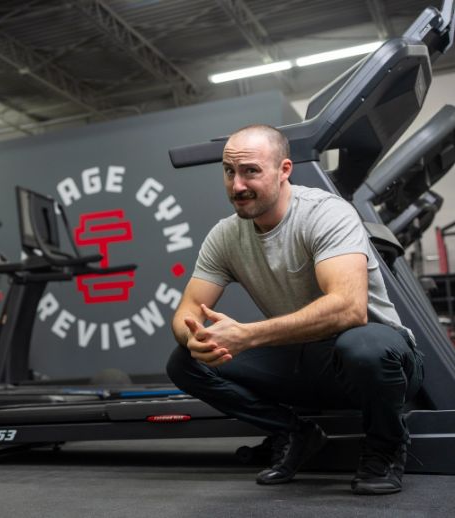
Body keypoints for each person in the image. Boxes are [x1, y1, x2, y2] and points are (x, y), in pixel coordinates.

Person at [166, 124, 424, 495]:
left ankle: (386, 447)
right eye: (229, 171)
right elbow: (186, 310)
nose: (237, 185)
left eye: (250, 171)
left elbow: (349, 310)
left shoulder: (325, 214)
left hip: (378, 359)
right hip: (304, 360)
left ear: (284, 169)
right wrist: (197, 339)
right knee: (184, 361)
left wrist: (247, 335)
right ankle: (294, 433)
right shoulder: (225, 235)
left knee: (363, 346)